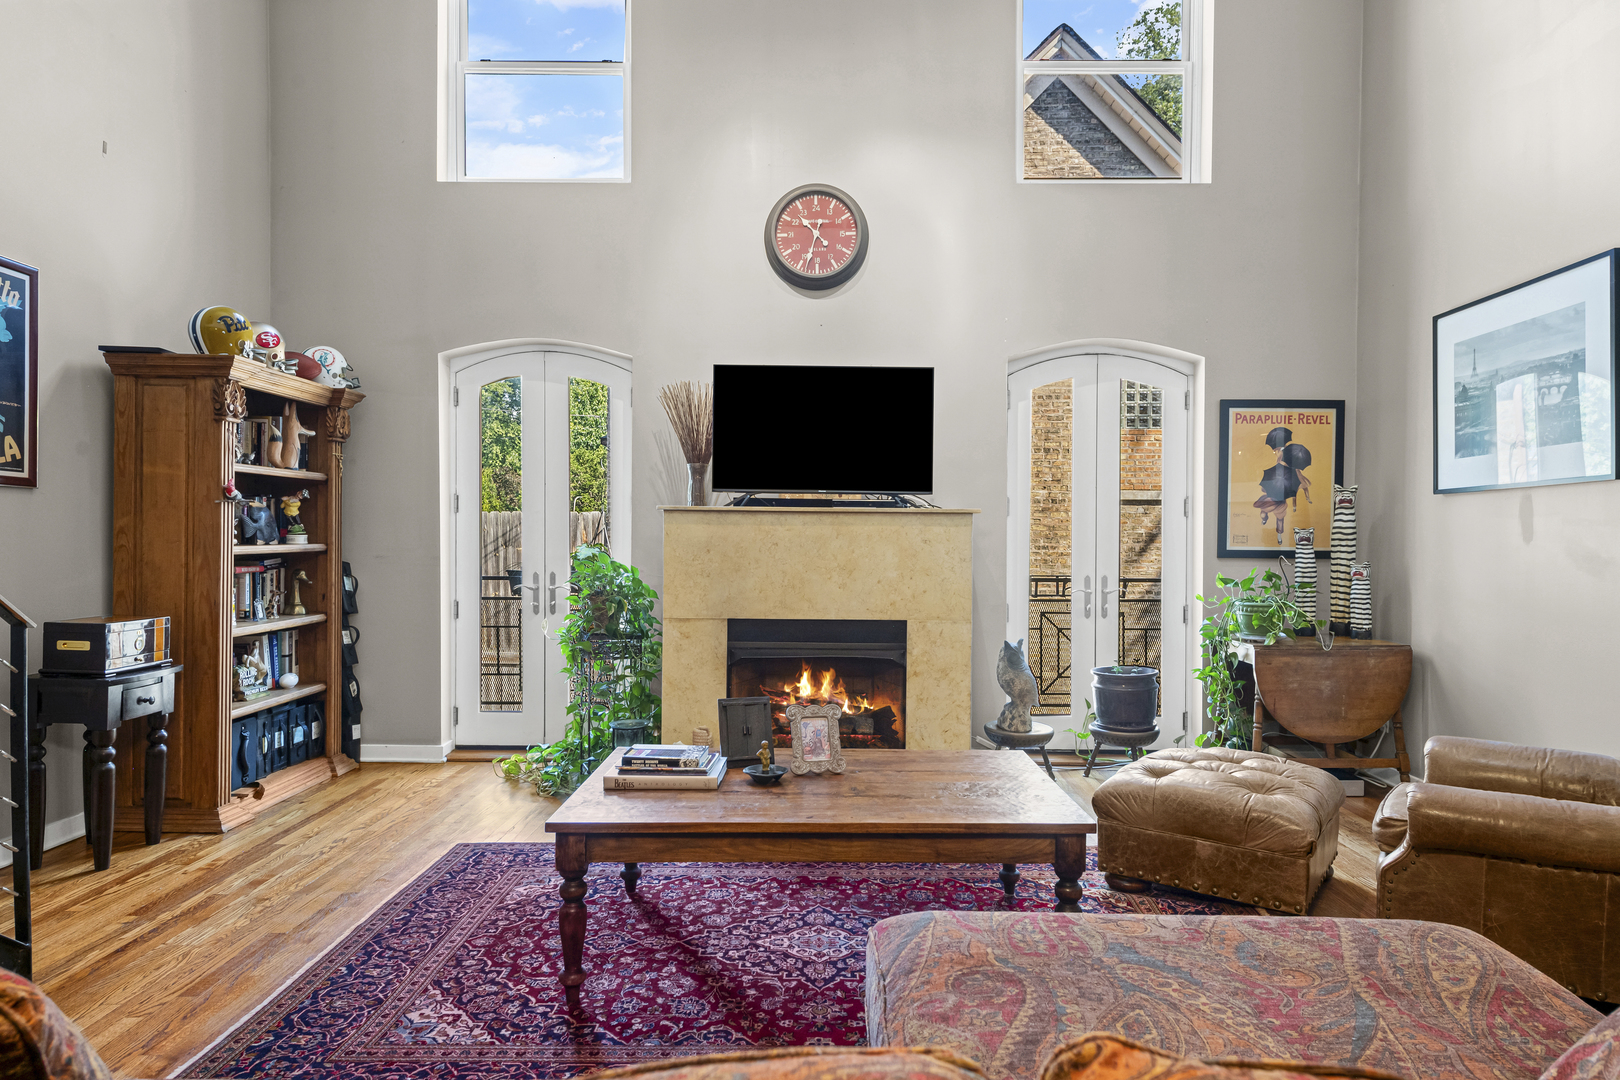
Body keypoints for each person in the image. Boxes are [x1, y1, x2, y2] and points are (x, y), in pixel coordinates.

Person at [1252, 428, 1313, 546]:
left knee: (1264, 511)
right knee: (1280, 519)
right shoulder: (1289, 453)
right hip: (1283, 489)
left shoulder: (1282, 454)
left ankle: (1264, 519)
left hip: (1279, 483)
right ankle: (1279, 537)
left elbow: (1278, 466)